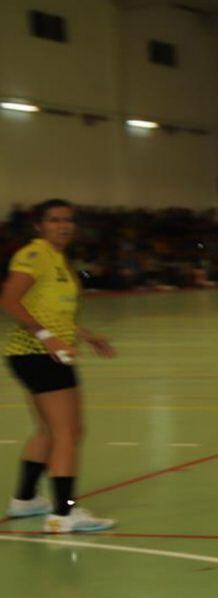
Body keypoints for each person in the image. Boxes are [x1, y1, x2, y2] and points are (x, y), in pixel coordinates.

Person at [2, 199, 116, 533]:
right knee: (69, 432)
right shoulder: (33, 255)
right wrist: (48, 337)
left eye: (68, 220)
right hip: (39, 353)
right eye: (54, 220)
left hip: (38, 352)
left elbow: (51, 310)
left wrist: (84, 334)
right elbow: (9, 300)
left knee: (50, 431)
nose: (63, 226)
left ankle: (25, 500)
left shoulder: (58, 259)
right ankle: (64, 514)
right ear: (40, 225)